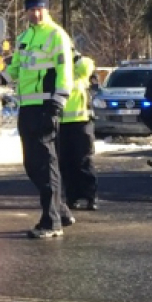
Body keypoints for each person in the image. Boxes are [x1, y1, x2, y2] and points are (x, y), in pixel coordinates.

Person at [0, 0, 75, 239]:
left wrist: (58, 102)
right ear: (25, 11)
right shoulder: (25, 37)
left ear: (47, 9)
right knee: (33, 165)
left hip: (46, 107)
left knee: (46, 165)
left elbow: (65, 71)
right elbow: (12, 72)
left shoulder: (56, 35)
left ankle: (51, 222)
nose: (35, 13)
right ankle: (61, 210)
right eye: (31, 8)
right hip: (28, 108)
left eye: (40, 8)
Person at [60, 52, 99, 211]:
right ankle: (72, 197)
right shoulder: (59, 75)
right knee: (66, 163)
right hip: (62, 125)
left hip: (82, 123)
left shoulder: (80, 73)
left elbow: (87, 64)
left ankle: (91, 197)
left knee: (84, 161)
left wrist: (74, 56)